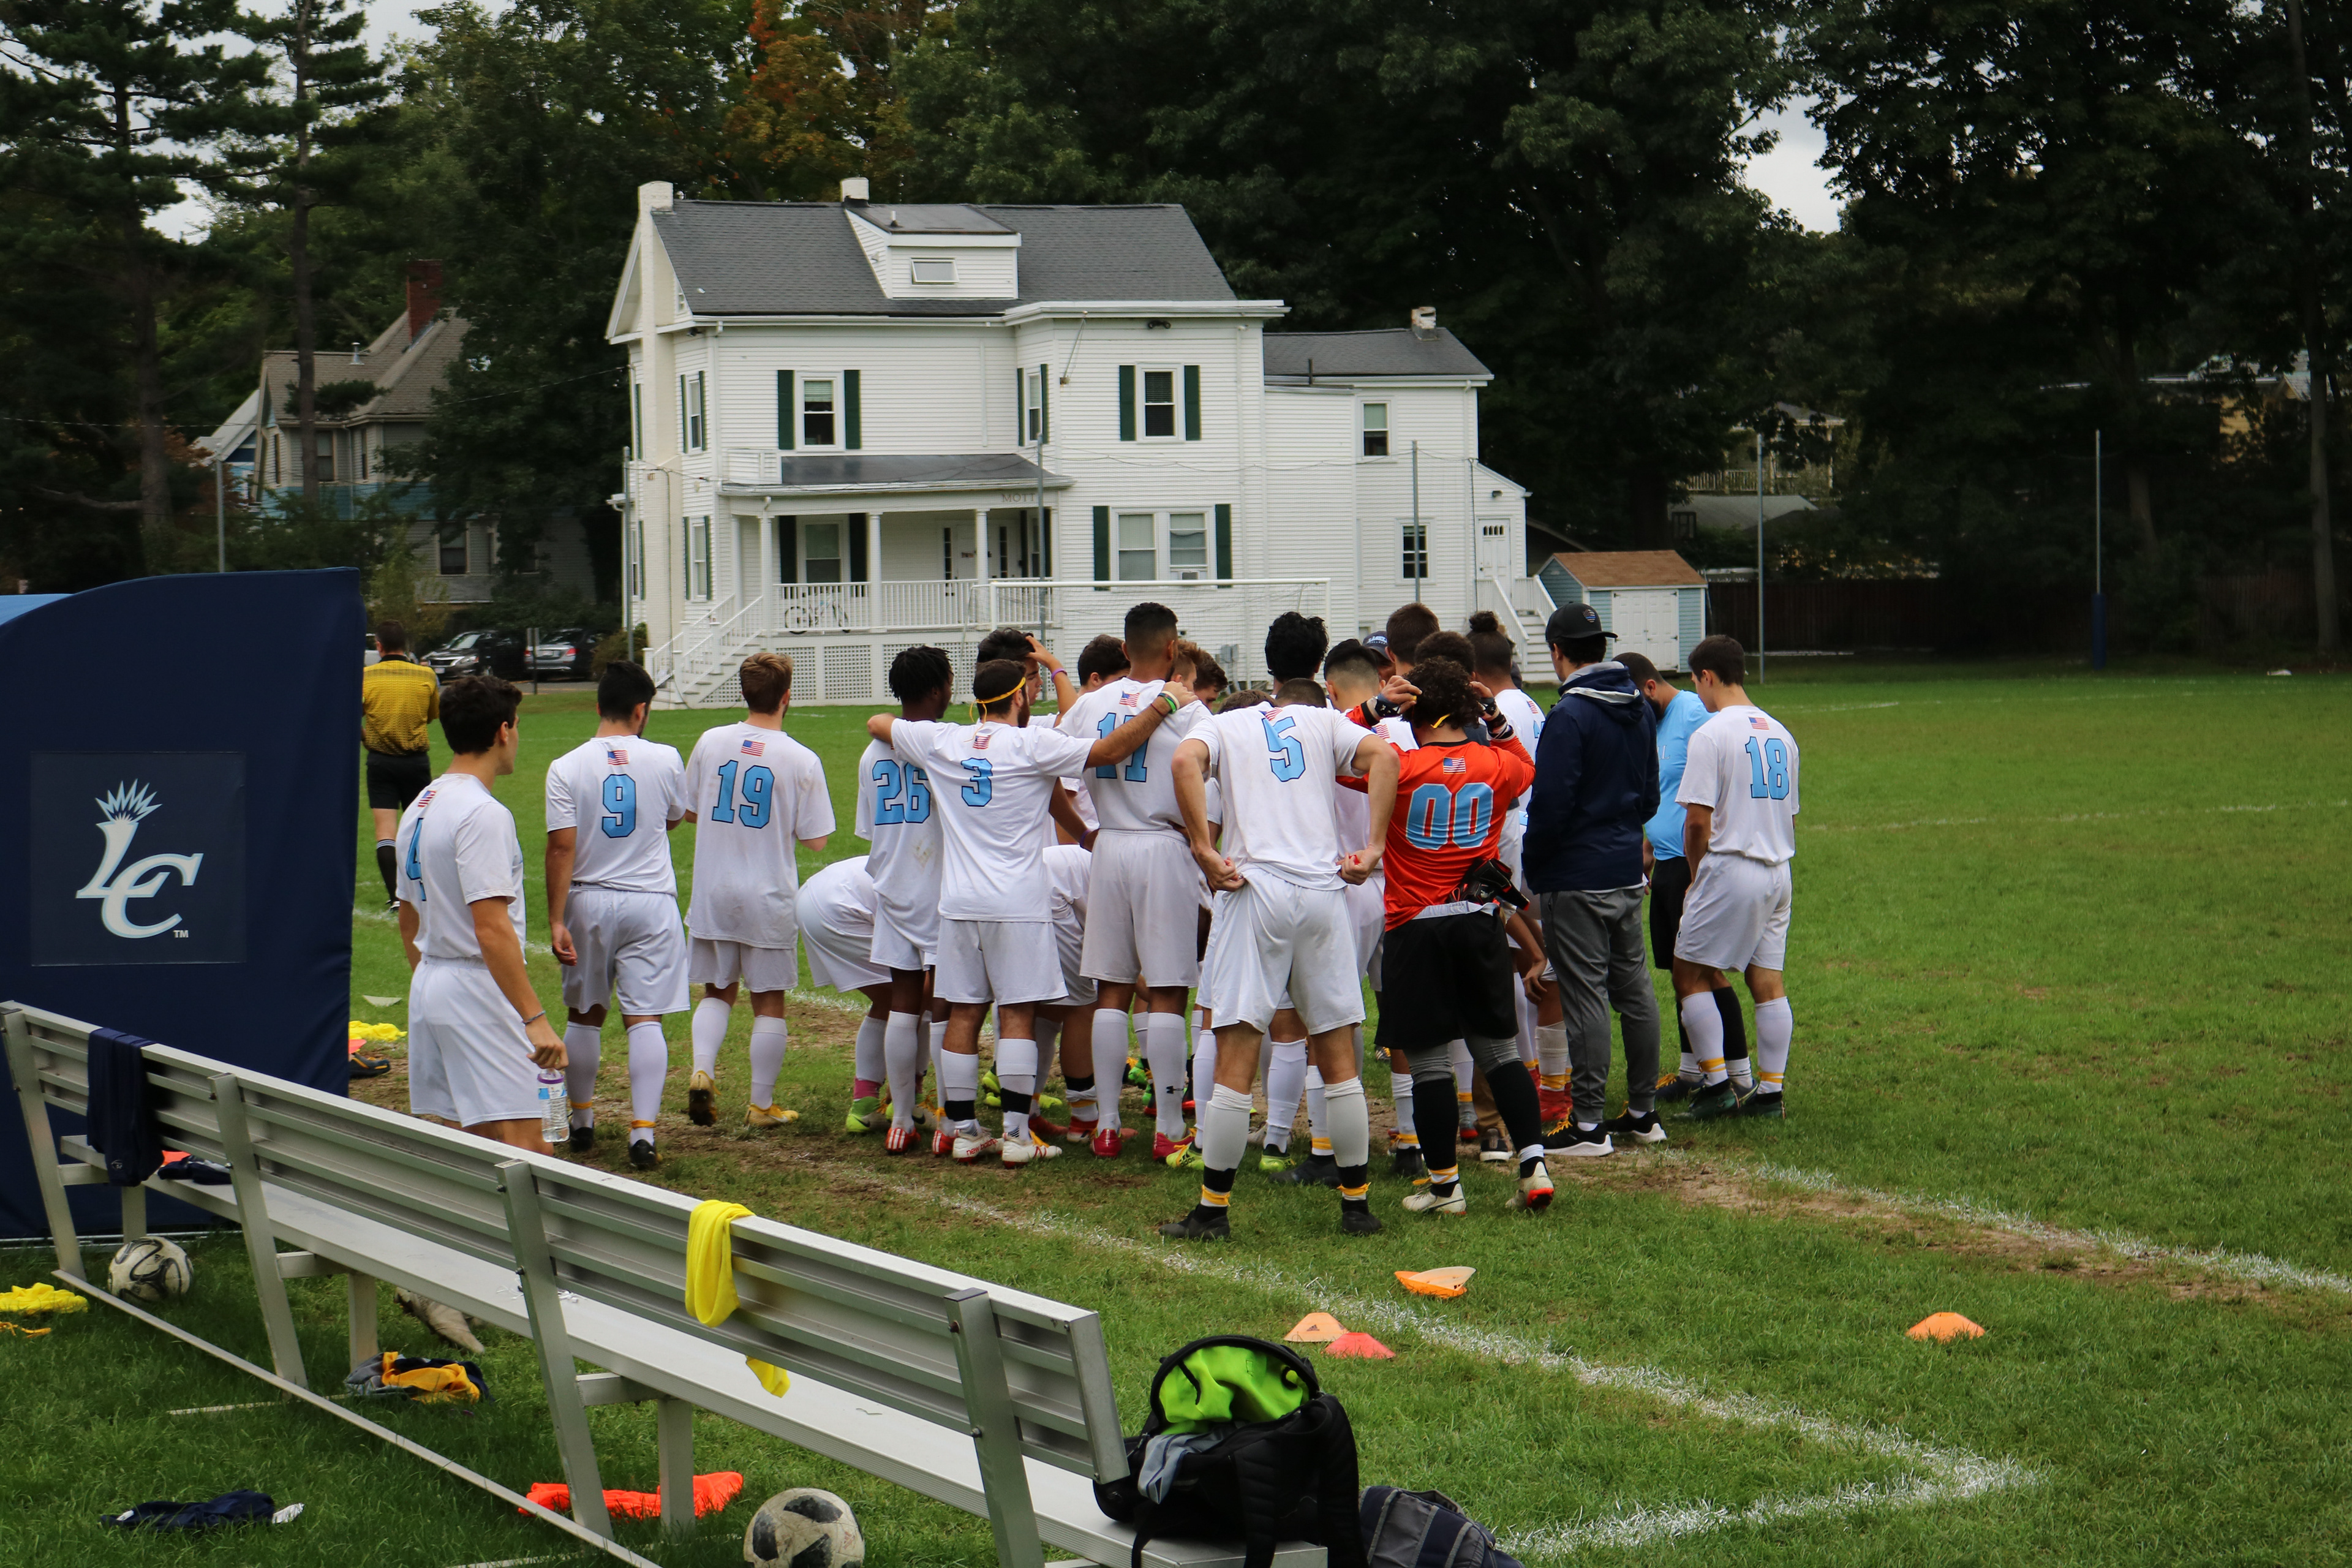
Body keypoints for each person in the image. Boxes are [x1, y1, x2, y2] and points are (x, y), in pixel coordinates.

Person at [866, 657, 1190, 1166]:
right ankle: (1016, 1134)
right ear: (1019, 698)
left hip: (957, 903)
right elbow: (1108, 752)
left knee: (965, 1012)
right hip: (1016, 900)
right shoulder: (1032, 743)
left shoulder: (943, 741)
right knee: (1016, 1012)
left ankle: (966, 1129)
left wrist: (909, 729)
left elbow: (878, 724)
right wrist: (1163, 705)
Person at [1164, 677, 1398, 1240]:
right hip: (1321, 890)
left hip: (1257, 886)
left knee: (1236, 1056)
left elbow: (1182, 763)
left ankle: (1213, 1212)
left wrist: (1202, 847)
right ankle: (1356, 1206)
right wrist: (1374, 847)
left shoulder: (1221, 723)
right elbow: (1385, 757)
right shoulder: (1320, 718)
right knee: (1338, 1053)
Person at [1357, 657, 1551, 1218]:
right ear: (1467, 710)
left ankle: (1446, 1188)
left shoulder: (1400, 765)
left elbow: (1338, 751)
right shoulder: (1494, 762)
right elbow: (1524, 766)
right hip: (1478, 917)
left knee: (1428, 1063)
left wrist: (1375, 707)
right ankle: (1534, 1165)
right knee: (1500, 1051)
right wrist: (1493, 716)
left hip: (1415, 925)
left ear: (1413, 709)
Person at [1055, 603, 1212, 1161]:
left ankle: (1106, 1123)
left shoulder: (1088, 704)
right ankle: (1170, 1125)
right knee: (1168, 990)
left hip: (1110, 844)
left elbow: (1048, 768)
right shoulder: (1189, 707)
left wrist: (1082, 833)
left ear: (1124, 650)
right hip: (1163, 846)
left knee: (1111, 991)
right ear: (1173, 649)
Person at [394, 675, 566, 1153]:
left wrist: (433, 985)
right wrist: (535, 1018)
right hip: (476, 988)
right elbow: (490, 929)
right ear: (503, 731)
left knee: (476, 1141)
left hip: (431, 981)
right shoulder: (482, 813)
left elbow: (408, 916)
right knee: (532, 1146)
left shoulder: (422, 804)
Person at [1524, 602, 1662, 1157]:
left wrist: (1537, 864)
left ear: (1557, 652)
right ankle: (1643, 1112)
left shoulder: (1570, 716)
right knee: (1635, 991)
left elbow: (1551, 806)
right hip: (1626, 868)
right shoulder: (1639, 705)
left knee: (1584, 997)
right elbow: (1651, 795)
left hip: (1577, 874)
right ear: (1601, 647)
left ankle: (1586, 1125)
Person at [544, 660, 688, 1169]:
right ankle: (642, 1133)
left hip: (588, 897)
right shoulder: (667, 757)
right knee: (644, 1017)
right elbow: (674, 818)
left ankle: (580, 1120)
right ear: (640, 710)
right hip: (650, 901)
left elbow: (561, 848)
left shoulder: (566, 765)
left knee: (585, 1014)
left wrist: (557, 918)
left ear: (598, 705)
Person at [682, 652, 834, 1131]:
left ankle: (703, 1069)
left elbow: (689, 810)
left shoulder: (711, 741)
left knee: (717, 990)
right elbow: (817, 839)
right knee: (768, 1000)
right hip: (767, 894)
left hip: (713, 888)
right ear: (787, 697)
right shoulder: (800, 757)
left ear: (743, 693)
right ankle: (760, 1104)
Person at [1672, 636, 1800, 1119]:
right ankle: (1770, 1093)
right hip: (1778, 870)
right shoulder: (1782, 733)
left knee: (1687, 971)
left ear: (1707, 676)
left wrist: (1695, 876)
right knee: (1766, 979)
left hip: (1733, 866)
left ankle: (1717, 1085)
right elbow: (1790, 813)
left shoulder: (1711, 733)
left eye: (1697, 682)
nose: (1698, 693)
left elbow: (1698, 821)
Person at [1618, 651, 1751, 1102]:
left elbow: (1718, 784)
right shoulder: (1653, 723)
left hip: (1698, 864)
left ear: (1650, 687)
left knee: (1705, 971)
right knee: (1681, 971)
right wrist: (1650, 845)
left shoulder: (1697, 713)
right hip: (1669, 862)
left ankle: (1735, 1074)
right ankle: (1693, 1070)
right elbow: (1669, 789)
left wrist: (1703, 867)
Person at [859, 647, 953, 1153]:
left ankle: (900, 1117)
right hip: (938, 886)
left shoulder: (870, 754)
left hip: (892, 884)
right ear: (938, 689)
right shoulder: (943, 742)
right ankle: (944, 1115)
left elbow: (868, 828)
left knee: (902, 1002)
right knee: (941, 1003)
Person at [796, 853, 902, 1136]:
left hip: (814, 895)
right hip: (842, 905)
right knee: (917, 1001)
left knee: (894, 999)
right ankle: (907, 1100)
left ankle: (866, 1104)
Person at [364, 620, 440, 910]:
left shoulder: (366, 676)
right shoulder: (426, 675)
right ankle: (422, 890)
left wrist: (365, 734)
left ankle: (396, 897)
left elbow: (351, 714)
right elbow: (432, 714)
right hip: (416, 762)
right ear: (406, 645)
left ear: (379, 646)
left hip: (381, 761)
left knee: (386, 831)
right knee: (418, 828)